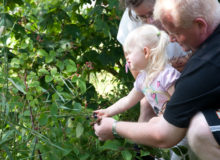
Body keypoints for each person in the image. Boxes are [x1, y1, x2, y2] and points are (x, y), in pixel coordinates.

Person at [94, 0, 220, 160]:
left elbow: (165, 134)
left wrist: (113, 127)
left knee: (199, 129)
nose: (171, 39)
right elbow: (132, 98)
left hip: (178, 127)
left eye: (175, 32)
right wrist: (107, 112)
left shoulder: (203, 64)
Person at [95, 24, 180, 125]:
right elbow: (127, 100)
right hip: (168, 127)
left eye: (129, 53)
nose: (126, 57)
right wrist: (107, 111)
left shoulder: (166, 75)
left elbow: (181, 103)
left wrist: (163, 119)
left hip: (181, 127)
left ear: (145, 52)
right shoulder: (143, 78)